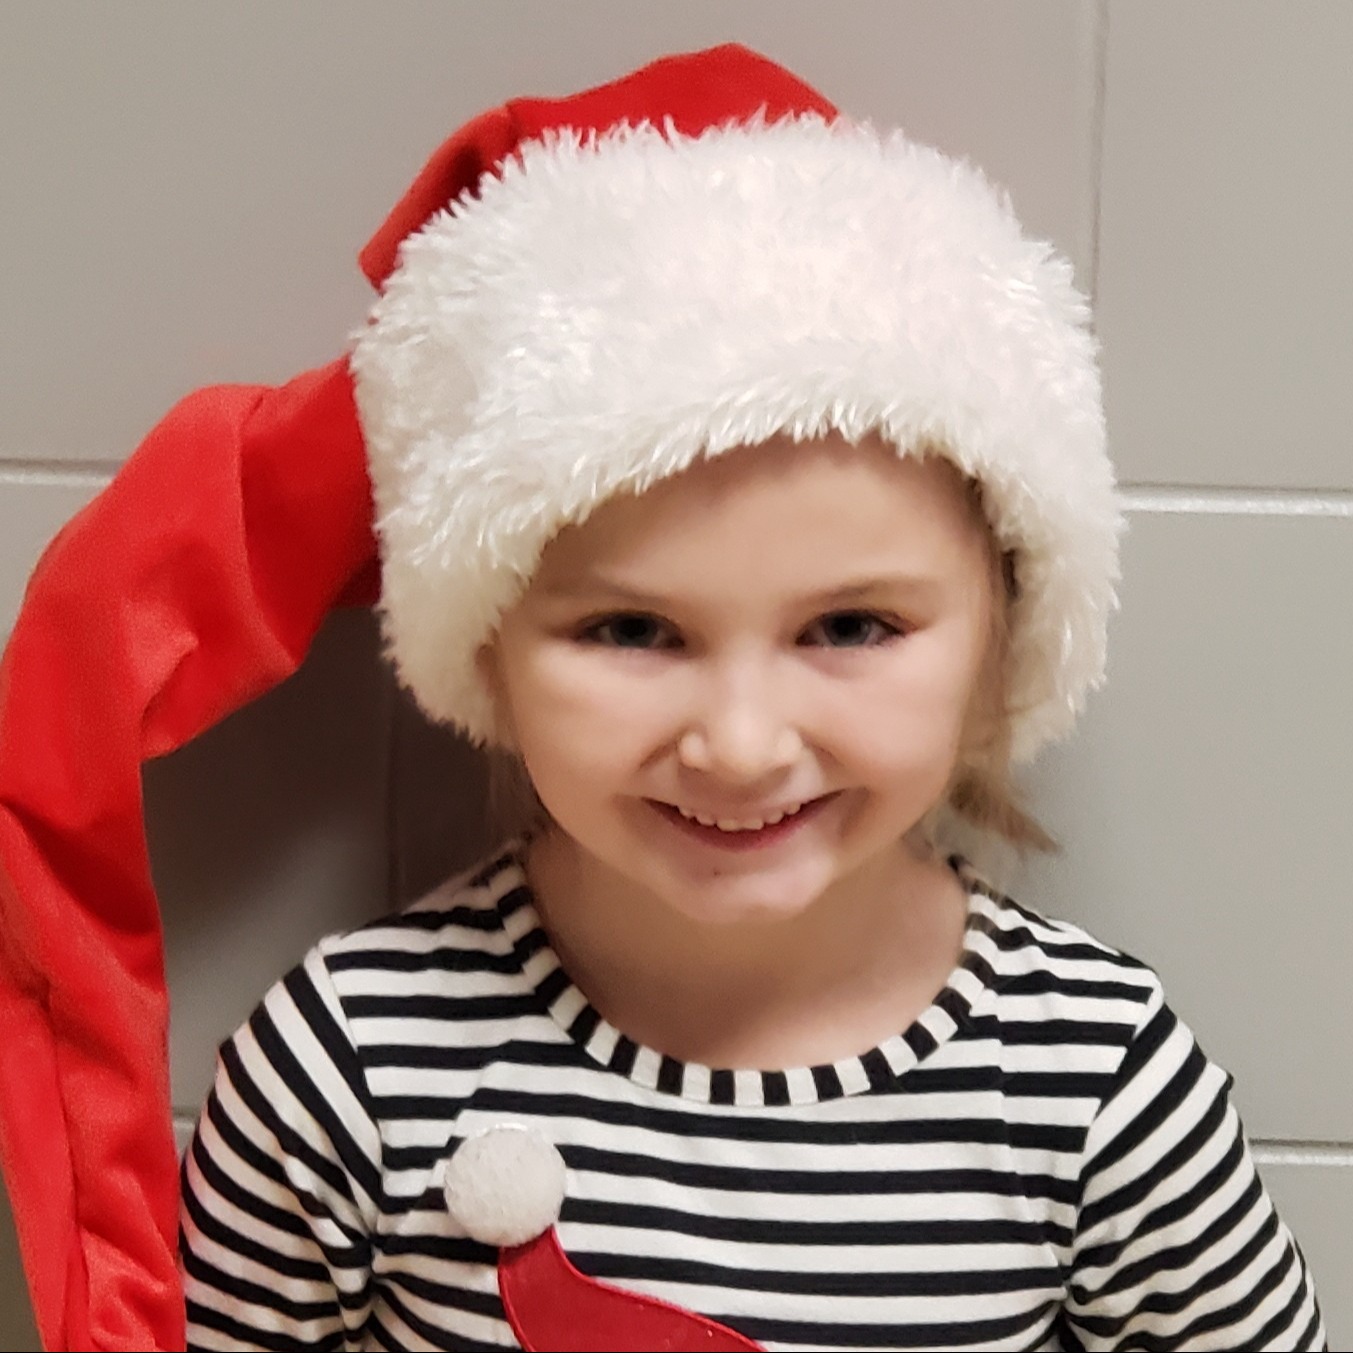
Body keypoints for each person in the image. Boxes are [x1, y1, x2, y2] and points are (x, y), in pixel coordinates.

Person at [0, 43, 1322, 1353]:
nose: (741, 745)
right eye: (632, 629)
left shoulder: (1093, 1077)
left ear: (1000, 637)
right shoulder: (348, 1065)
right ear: (488, 647)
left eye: (849, 625)